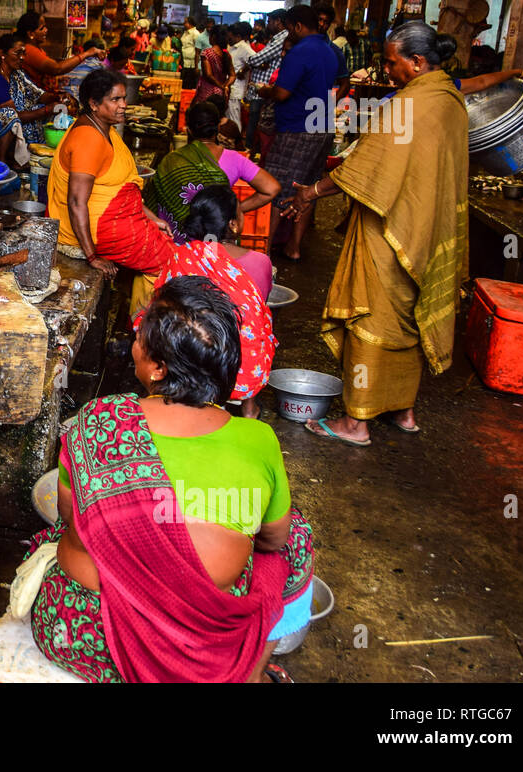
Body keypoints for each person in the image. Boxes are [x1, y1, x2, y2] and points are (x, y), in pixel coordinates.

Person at [23, 275, 314, 682]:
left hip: (80, 631)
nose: (134, 344)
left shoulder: (97, 421)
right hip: (197, 648)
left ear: (157, 367)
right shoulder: (259, 439)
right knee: (295, 534)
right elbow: (274, 541)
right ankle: (250, 673)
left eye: (140, 336)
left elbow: (73, 519)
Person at [287, 21, 468, 447]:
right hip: (423, 227)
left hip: (389, 228)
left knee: (371, 315)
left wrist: (311, 192)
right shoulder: (449, 99)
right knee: (410, 317)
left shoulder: (407, 106)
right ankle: (403, 411)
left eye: (392, 62)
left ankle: (357, 421)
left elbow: (365, 171)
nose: (387, 70)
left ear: (417, 61)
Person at [151, 185, 276, 417]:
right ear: (233, 224)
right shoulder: (260, 262)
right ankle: (249, 407)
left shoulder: (180, 256)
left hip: (189, 360)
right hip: (242, 365)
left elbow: (163, 306)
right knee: (259, 320)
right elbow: (256, 309)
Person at [48, 69, 173, 289]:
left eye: (123, 98)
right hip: (99, 229)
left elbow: (119, 185)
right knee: (170, 262)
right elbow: (76, 202)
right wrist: (92, 257)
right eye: (115, 99)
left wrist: (152, 219)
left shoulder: (104, 129)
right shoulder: (88, 139)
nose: (123, 104)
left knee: (167, 243)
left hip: (118, 218)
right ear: (94, 104)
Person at [255, 4, 341, 261]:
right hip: (322, 127)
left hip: (297, 129)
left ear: (298, 26)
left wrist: (265, 91)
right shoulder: (330, 51)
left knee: (277, 186)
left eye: (289, 28)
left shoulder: (301, 51)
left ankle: (264, 250)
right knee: (306, 189)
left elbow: (282, 93)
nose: (287, 33)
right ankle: (293, 246)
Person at [145, 99, 280, 245]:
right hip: (216, 243)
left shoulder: (173, 160)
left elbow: (153, 200)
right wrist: (235, 207)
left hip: (178, 247)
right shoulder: (234, 159)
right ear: (217, 127)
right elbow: (271, 189)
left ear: (188, 129)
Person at [0, 33, 65, 163]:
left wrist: (59, 97)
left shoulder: (17, 74)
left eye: (24, 53)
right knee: (10, 114)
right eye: (17, 53)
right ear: (2, 54)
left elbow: (39, 95)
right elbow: (14, 116)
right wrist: (46, 110)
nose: (22, 57)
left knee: (37, 110)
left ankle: (30, 158)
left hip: (8, 123)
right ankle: (1, 161)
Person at [16, 11, 104, 90]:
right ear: (31, 34)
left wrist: (57, 80)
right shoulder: (29, 50)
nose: (46, 30)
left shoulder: (37, 48)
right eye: (42, 28)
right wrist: (87, 53)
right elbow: (57, 68)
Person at [243, 8, 288, 152]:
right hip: (263, 88)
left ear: (278, 22)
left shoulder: (282, 38)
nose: (268, 25)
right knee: (256, 122)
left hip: (266, 88)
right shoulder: (277, 37)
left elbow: (261, 57)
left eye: (270, 21)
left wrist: (251, 61)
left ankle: (251, 151)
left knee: (257, 123)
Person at [227, 22, 255, 128]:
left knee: (234, 119)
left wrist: (243, 70)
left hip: (237, 88)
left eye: (230, 38)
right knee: (230, 117)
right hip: (231, 87)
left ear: (238, 36)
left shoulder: (244, 47)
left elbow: (255, 60)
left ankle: (236, 141)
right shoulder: (233, 47)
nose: (228, 40)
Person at [194, 24, 231, 102]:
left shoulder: (207, 53)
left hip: (207, 92)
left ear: (213, 37)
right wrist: (225, 86)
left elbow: (208, 75)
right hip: (221, 94)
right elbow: (233, 75)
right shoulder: (226, 54)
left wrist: (221, 86)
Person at [180, 16, 202, 88]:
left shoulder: (195, 33)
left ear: (190, 23)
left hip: (191, 64)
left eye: (185, 22)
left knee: (189, 84)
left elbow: (198, 49)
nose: (184, 23)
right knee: (183, 83)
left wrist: (197, 66)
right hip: (184, 62)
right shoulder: (185, 33)